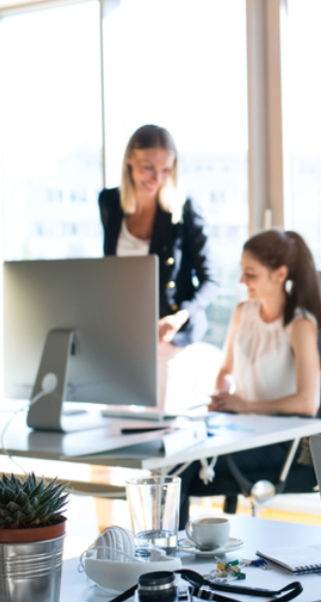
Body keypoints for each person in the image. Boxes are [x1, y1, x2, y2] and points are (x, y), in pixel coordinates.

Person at [179, 229, 321, 526]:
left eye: (251, 274)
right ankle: (164, 555)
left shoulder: (300, 325)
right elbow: (225, 371)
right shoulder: (242, 312)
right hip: (239, 431)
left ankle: (165, 558)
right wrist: (222, 396)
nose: (242, 281)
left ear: (279, 274)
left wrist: (245, 406)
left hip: (280, 442)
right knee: (174, 457)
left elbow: (308, 403)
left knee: (181, 469)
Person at [99, 124, 216, 410]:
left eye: (166, 170)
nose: (157, 178)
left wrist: (179, 318)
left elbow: (210, 280)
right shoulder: (110, 203)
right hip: (125, 330)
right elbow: (111, 271)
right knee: (114, 420)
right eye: (148, 168)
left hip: (170, 332)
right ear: (129, 160)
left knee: (159, 424)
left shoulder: (183, 209)